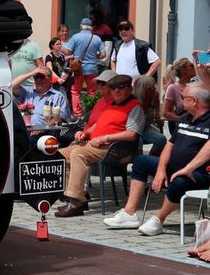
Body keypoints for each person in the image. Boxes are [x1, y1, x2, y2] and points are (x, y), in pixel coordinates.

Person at [103, 83, 210, 235]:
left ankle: (158, 219)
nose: (180, 101)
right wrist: (160, 170)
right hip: (174, 168)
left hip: (198, 173)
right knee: (141, 161)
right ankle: (129, 213)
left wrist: (187, 169)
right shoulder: (185, 118)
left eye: (183, 98)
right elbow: (169, 145)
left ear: (194, 101)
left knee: (179, 181)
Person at [56, 74, 145, 217]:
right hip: (95, 144)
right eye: (113, 88)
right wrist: (84, 133)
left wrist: (106, 137)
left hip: (114, 148)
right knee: (60, 154)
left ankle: (75, 203)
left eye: (121, 87)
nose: (116, 91)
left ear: (130, 88)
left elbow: (132, 134)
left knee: (77, 154)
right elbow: (99, 124)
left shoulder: (135, 107)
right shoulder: (110, 104)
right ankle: (81, 197)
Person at [62, 17, 106, 118]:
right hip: (92, 69)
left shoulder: (75, 37)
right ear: (91, 27)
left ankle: (78, 115)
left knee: (75, 91)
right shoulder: (97, 38)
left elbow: (67, 51)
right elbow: (103, 54)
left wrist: (61, 48)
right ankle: (91, 113)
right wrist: (95, 56)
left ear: (81, 26)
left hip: (78, 69)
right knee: (92, 92)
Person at [132, 75, 167, 155]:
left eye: (154, 86)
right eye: (150, 87)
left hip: (146, 127)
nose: (154, 88)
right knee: (138, 141)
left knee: (161, 139)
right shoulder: (134, 100)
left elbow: (157, 112)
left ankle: (151, 158)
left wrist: (158, 118)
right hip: (134, 129)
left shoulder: (155, 95)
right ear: (143, 89)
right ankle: (138, 162)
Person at [163, 58, 195, 136]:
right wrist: (182, 119)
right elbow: (166, 113)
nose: (194, 67)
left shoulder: (196, 86)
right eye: (191, 65)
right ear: (183, 70)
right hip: (183, 127)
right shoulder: (173, 88)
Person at [45, 36, 71, 102]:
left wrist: (66, 75)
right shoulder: (49, 57)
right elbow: (50, 69)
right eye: (57, 44)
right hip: (54, 84)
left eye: (60, 44)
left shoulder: (62, 57)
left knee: (62, 102)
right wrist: (58, 78)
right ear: (52, 45)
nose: (59, 46)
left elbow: (65, 68)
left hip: (63, 84)